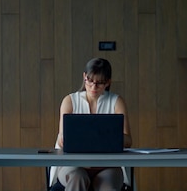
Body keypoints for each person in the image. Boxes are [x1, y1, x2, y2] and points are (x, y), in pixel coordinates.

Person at [53, 57, 132, 191]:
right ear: (84, 77)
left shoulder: (116, 101)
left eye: (100, 83)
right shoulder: (70, 101)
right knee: (77, 178)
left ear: (108, 82)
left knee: (108, 187)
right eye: (90, 81)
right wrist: (105, 139)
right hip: (73, 165)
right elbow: (63, 140)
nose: (93, 87)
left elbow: (128, 140)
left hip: (107, 166)